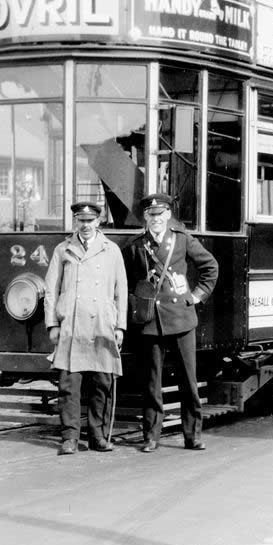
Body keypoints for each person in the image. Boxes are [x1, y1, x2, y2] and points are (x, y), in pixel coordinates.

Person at [123, 193, 218, 452]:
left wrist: (196, 297)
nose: (156, 219)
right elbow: (127, 281)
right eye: (151, 215)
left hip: (181, 319)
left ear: (168, 215)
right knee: (152, 382)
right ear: (145, 217)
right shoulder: (136, 246)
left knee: (188, 380)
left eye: (160, 214)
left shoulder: (182, 240)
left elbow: (210, 267)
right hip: (150, 322)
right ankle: (151, 436)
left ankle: (193, 435)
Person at [44, 201, 128, 455]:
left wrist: (120, 326)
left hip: (102, 324)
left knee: (101, 383)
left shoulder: (111, 250)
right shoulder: (63, 249)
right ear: (75, 223)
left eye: (90, 221)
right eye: (81, 221)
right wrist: (52, 324)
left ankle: (97, 435)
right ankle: (69, 437)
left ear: (98, 222)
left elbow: (120, 291)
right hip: (71, 326)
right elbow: (51, 288)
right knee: (69, 386)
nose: (86, 225)